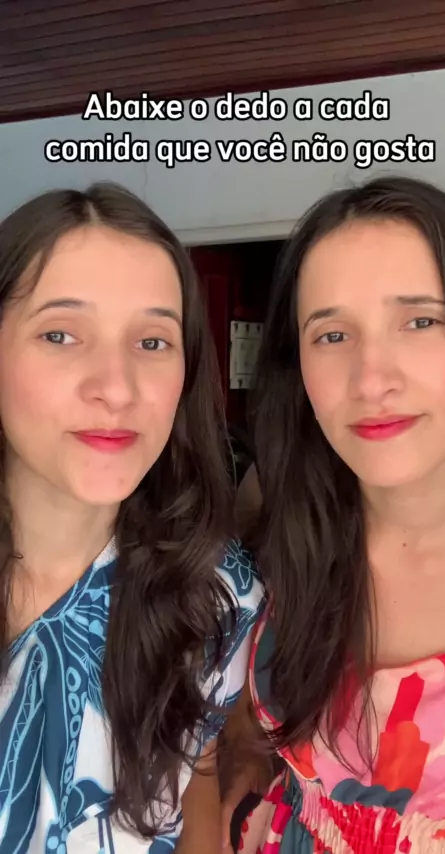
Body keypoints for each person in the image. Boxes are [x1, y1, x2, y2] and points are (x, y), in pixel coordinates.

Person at [0, 182, 264, 853]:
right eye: (60, 334)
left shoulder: (217, 595)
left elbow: (194, 776)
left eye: (152, 341)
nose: (116, 387)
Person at [223, 175, 445, 852]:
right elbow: (245, 728)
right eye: (332, 334)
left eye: (420, 321)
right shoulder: (276, 525)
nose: (371, 378)